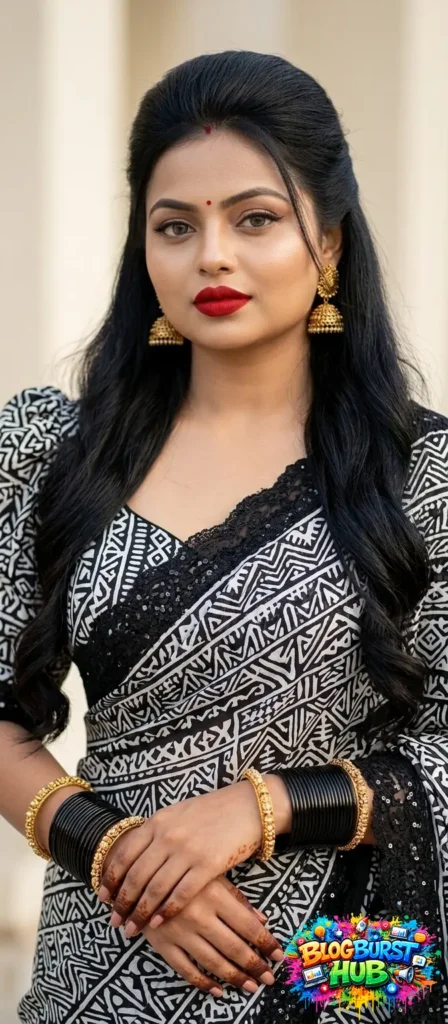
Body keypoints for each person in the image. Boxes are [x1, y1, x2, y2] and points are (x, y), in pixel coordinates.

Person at [0, 49, 447, 1024]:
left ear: (326, 246)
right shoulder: (48, 454)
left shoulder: (426, 478)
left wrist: (265, 806)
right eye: (175, 226)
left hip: (354, 958)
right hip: (107, 959)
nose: (211, 255)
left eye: (254, 218)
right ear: (143, 250)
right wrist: (114, 853)